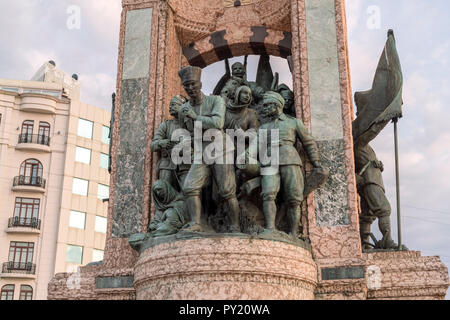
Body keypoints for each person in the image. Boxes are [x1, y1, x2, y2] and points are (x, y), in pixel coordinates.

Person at [178, 66, 241, 233]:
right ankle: (195, 223)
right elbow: (191, 131)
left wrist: (194, 116)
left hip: (220, 149)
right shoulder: (186, 108)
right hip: (202, 152)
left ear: (200, 83)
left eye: (193, 84)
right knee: (190, 187)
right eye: (186, 86)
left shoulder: (215, 101)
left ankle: (235, 225)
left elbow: (217, 123)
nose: (190, 88)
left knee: (227, 190)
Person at [258, 91, 322, 238]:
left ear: (276, 105)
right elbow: (258, 149)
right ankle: (270, 228)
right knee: (268, 194)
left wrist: (316, 162)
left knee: (294, 198)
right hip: (269, 162)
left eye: (267, 105)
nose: (264, 109)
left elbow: (309, 142)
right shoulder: (263, 128)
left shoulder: (293, 122)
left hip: (290, 160)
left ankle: (293, 233)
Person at [354, 120, 400, 250]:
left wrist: (378, 166)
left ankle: (363, 243)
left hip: (373, 180)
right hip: (369, 181)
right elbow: (373, 130)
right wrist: (386, 118)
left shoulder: (366, 147)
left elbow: (366, 161)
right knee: (384, 209)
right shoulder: (359, 143)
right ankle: (387, 241)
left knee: (368, 215)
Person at [150, 95, 189, 190]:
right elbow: (153, 145)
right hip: (167, 164)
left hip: (185, 165)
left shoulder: (189, 125)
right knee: (163, 189)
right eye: (170, 105)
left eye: (173, 105)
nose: (170, 107)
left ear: (182, 107)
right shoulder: (166, 125)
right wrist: (161, 143)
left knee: (188, 192)